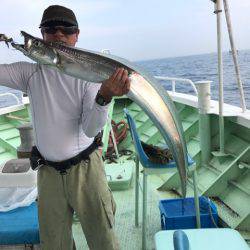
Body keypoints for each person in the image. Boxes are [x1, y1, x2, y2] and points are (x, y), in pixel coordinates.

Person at [0, 5, 130, 250]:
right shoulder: (29, 73)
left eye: (66, 29)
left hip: (86, 171)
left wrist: (104, 97)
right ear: (42, 35)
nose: (58, 34)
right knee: (54, 244)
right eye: (50, 28)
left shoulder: (89, 73)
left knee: (104, 241)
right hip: (47, 174)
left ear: (76, 34)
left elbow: (91, 129)